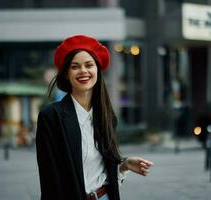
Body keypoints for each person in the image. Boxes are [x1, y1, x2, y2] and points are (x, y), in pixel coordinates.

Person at [36, 35, 154, 200]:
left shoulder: (106, 115)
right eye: (75, 66)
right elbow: (50, 181)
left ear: (97, 70)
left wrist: (124, 165)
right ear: (66, 74)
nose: (83, 71)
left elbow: (105, 170)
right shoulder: (51, 117)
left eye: (89, 65)